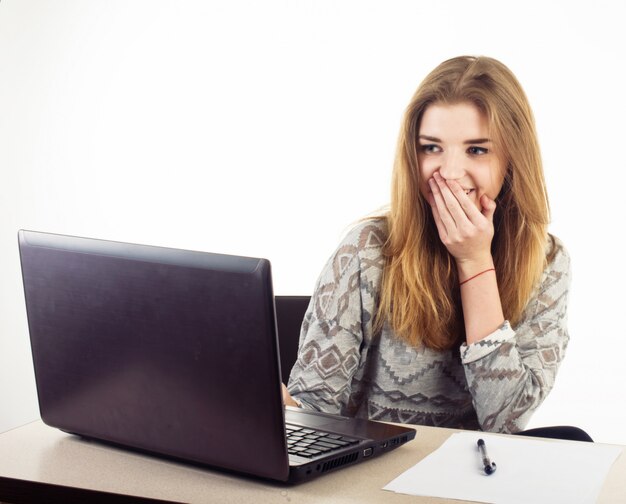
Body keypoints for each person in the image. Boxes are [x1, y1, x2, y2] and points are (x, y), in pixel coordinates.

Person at [282, 55, 572, 434]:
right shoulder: (366, 250)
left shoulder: (548, 262)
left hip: (470, 477)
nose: (449, 172)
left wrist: (474, 263)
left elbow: (505, 423)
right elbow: (313, 413)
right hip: (371, 475)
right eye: (431, 148)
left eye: (477, 150)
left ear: (512, 160)